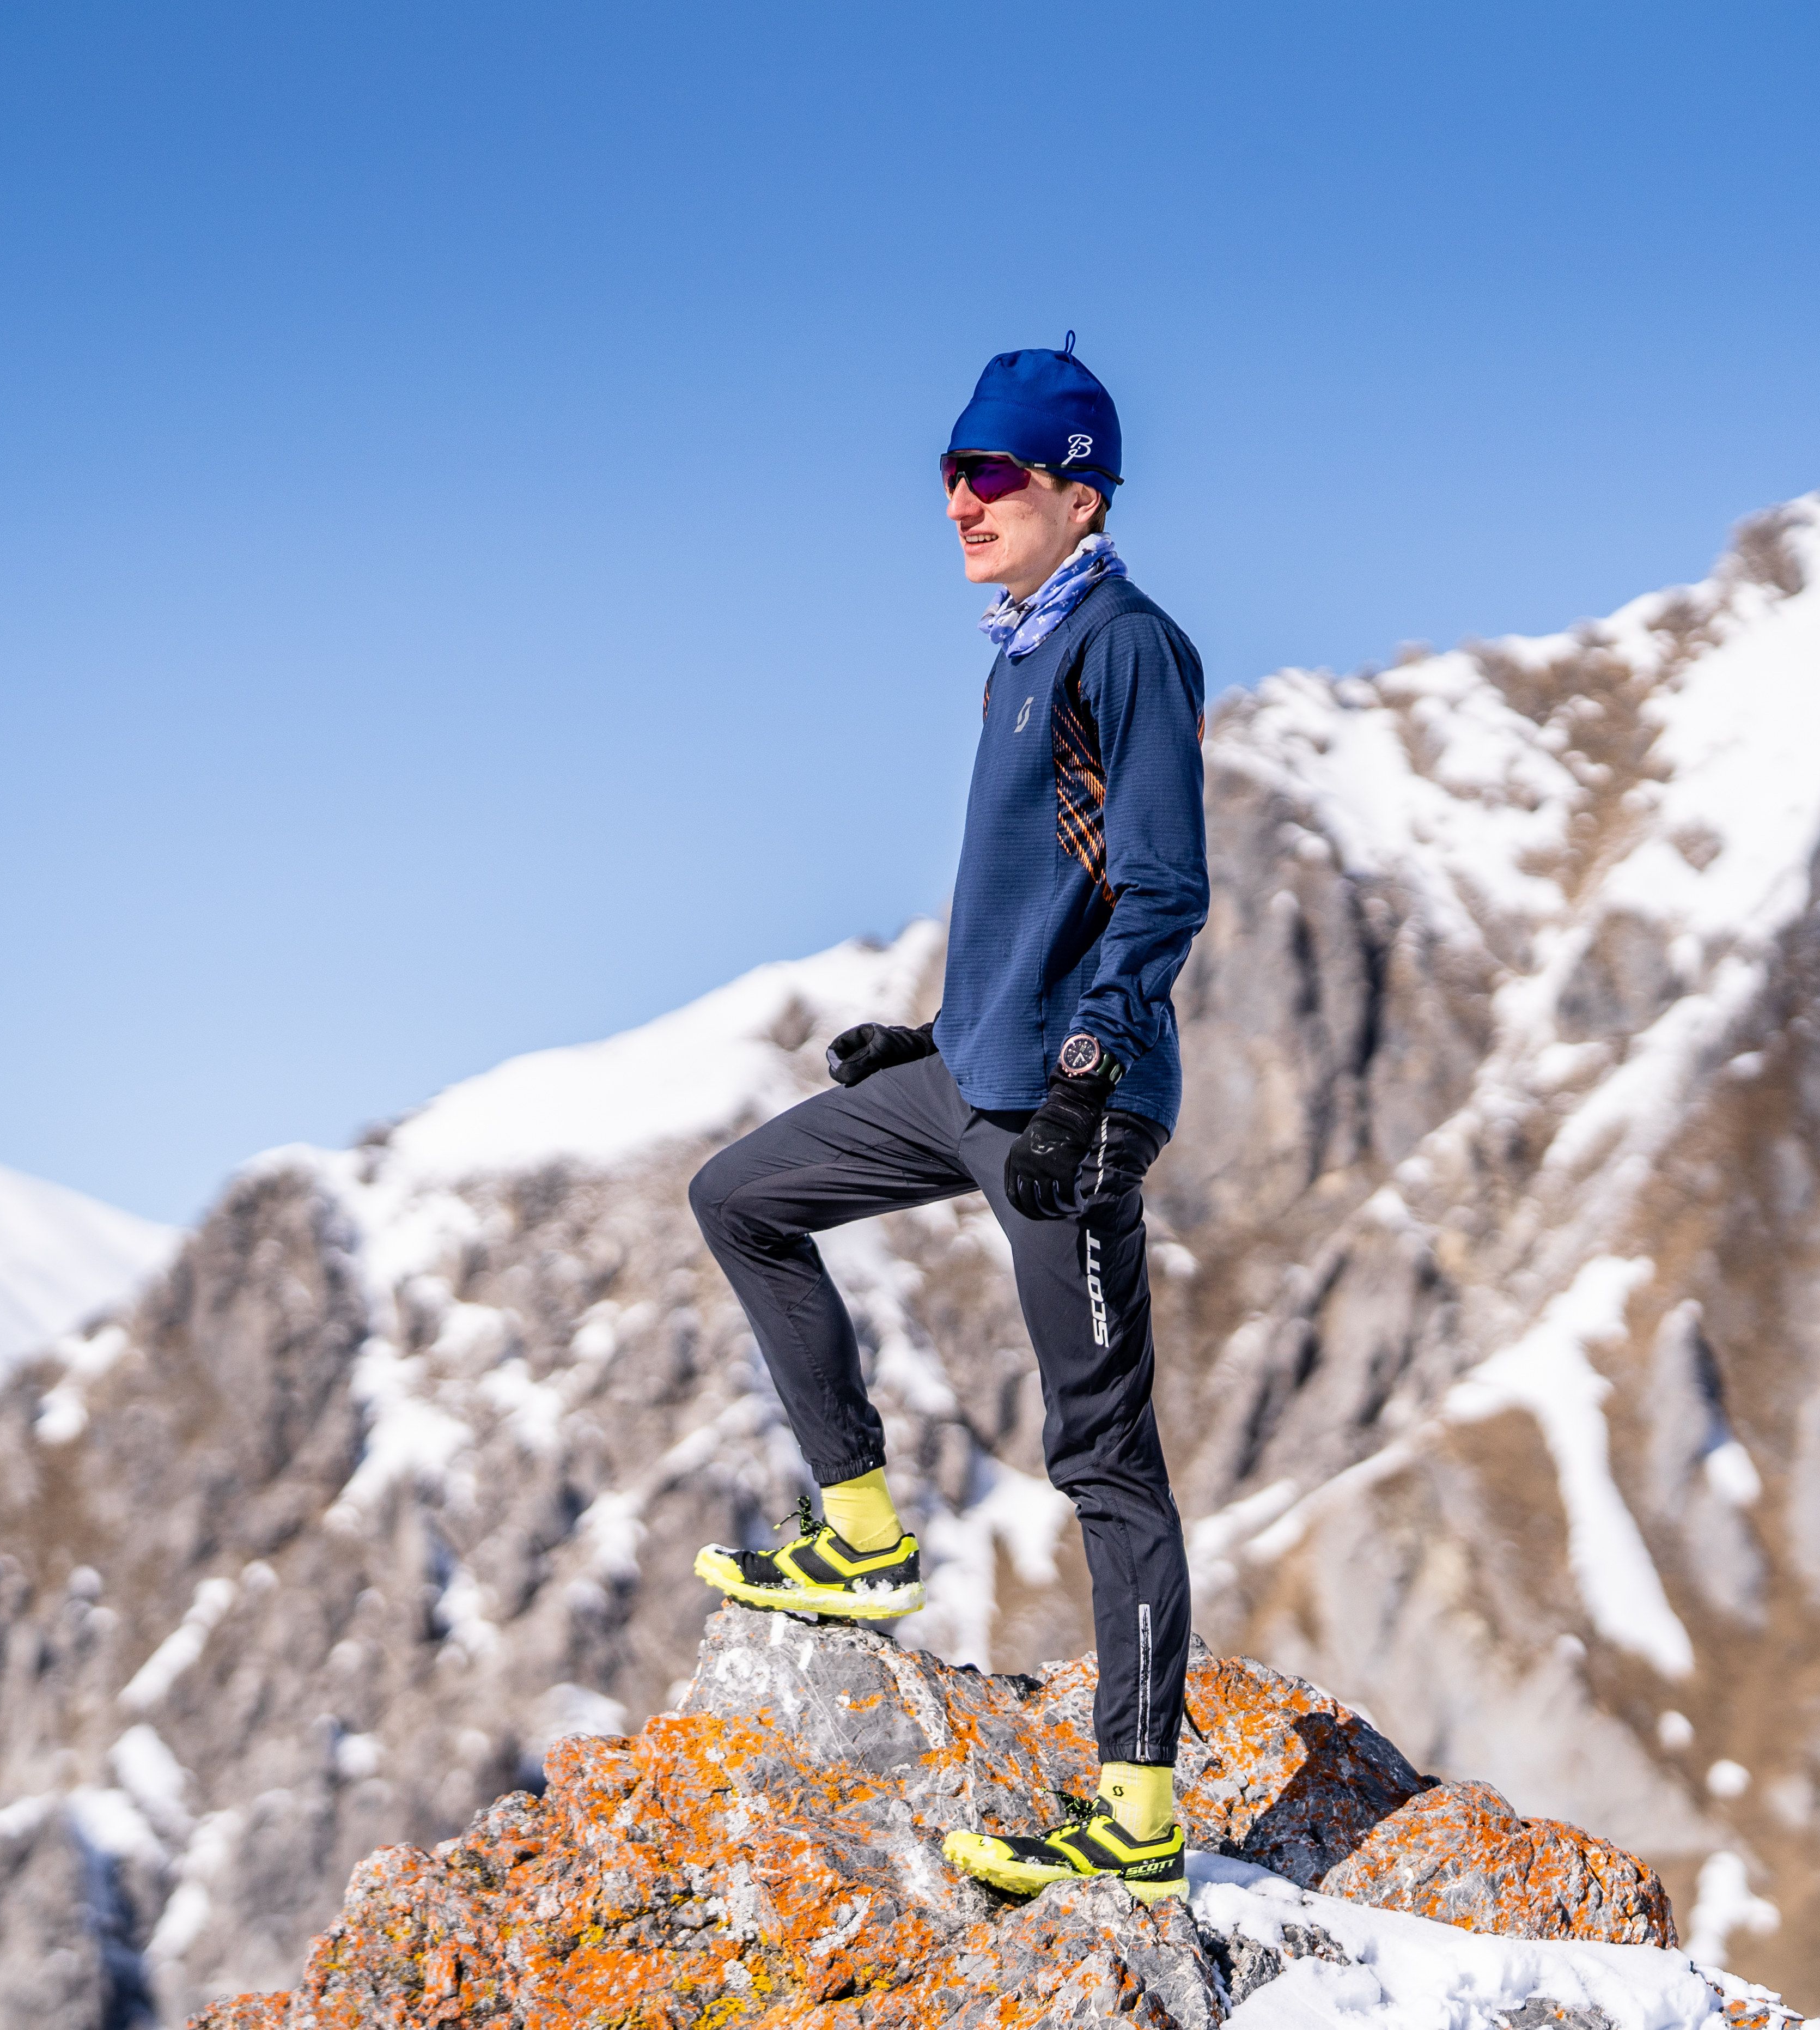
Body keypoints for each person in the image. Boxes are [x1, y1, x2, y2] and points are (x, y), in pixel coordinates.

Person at [686, 337, 1208, 1904]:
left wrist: (1091, 1073)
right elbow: (1046, 878)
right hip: (974, 1073)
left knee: (1101, 1452)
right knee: (742, 1197)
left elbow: (1161, 886)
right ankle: (859, 1533)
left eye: (994, 475)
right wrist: (938, 1027)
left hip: (1067, 1108)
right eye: (951, 474)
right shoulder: (1020, 650)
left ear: (1079, 490)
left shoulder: (1126, 645)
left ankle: (1136, 1816)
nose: (963, 501)